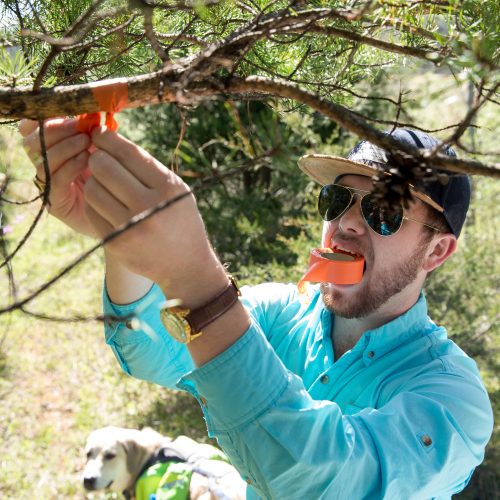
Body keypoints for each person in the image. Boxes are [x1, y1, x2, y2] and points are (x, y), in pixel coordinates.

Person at [20, 119, 493, 499]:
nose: (345, 224)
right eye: (339, 198)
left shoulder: (454, 399)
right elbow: (151, 352)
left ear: (436, 252)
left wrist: (200, 283)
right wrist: (120, 235)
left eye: (384, 212)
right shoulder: (278, 313)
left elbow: (329, 484)